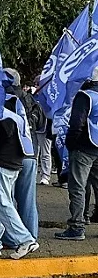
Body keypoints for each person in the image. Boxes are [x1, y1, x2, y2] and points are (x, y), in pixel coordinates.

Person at [0, 93, 40, 259]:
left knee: (1, 202)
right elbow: (2, 130)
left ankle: (25, 240)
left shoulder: (6, 103)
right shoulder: (15, 102)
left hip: (2, 161)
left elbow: (5, 131)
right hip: (9, 160)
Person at [54, 67, 98, 241]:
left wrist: (71, 144)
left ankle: (77, 226)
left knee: (77, 187)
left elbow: (76, 124)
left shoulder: (85, 96)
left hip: (83, 148)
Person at [3, 69, 39, 240]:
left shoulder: (5, 99)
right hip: (30, 152)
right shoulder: (30, 98)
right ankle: (31, 234)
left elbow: (4, 128)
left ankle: (10, 237)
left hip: (10, 155)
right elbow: (41, 122)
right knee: (28, 200)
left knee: (5, 200)